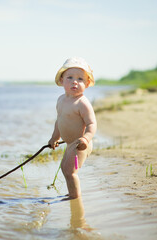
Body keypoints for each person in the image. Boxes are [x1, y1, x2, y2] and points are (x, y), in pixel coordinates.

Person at [48, 57, 97, 199]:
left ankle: (75, 198)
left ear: (87, 84)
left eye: (80, 79)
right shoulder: (61, 100)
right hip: (70, 144)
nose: (75, 81)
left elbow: (91, 124)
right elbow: (59, 121)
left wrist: (86, 139)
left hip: (80, 144)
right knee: (65, 169)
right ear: (62, 80)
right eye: (70, 77)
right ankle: (72, 193)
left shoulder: (82, 103)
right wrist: (54, 137)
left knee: (70, 171)